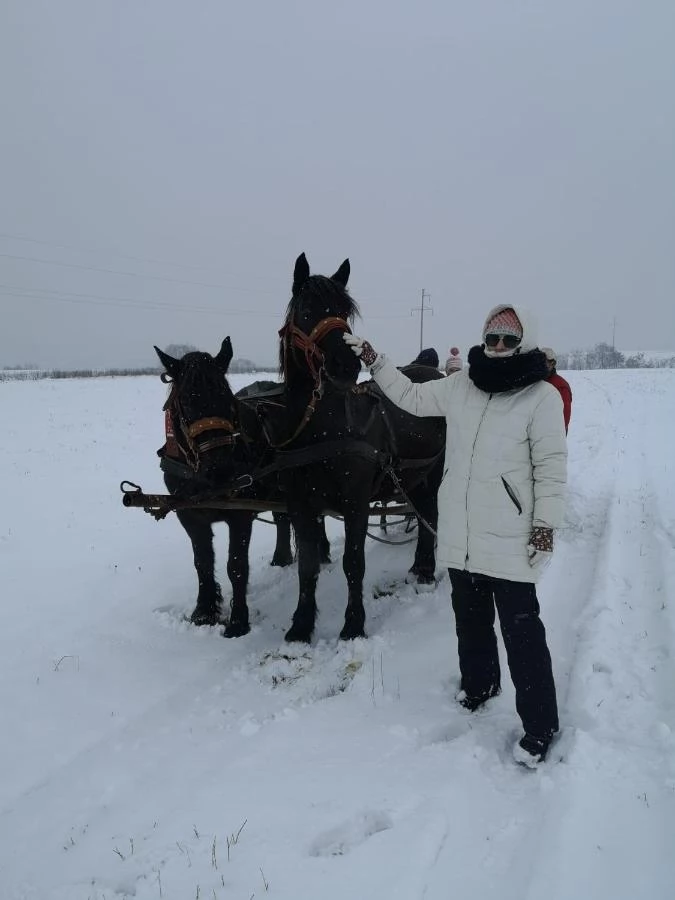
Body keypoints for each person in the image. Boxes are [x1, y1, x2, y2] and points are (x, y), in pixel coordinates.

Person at [344, 305, 567, 767]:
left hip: (509, 537)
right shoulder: (463, 385)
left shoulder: (540, 397)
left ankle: (540, 726)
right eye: (492, 337)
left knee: (522, 635)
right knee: (471, 622)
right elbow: (411, 396)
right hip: (462, 535)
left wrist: (544, 527)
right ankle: (479, 686)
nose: (498, 346)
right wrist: (375, 359)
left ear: (524, 342)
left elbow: (551, 469)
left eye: (508, 338)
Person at [541, 347, 572, 433]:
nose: (541, 365)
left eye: (545, 362)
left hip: (553, 433)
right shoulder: (534, 382)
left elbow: (565, 417)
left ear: (552, 364)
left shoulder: (561, 385)